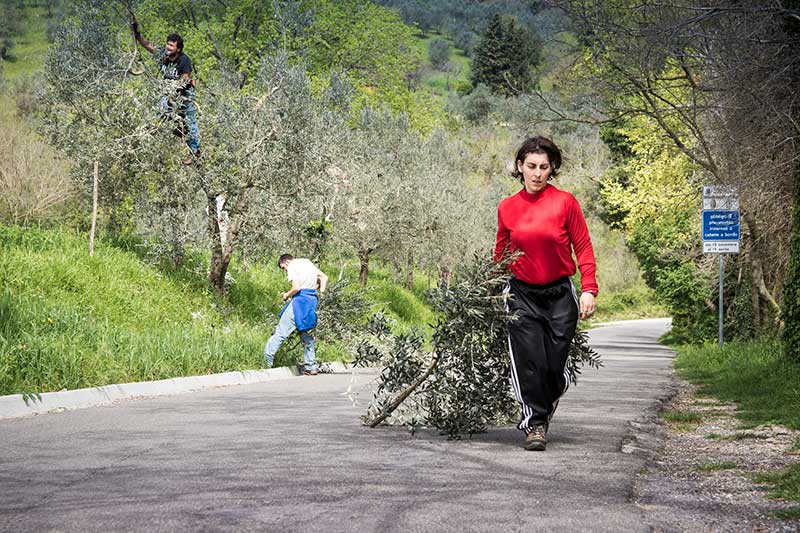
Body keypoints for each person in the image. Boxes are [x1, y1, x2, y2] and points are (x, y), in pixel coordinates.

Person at [494, 136, 598, 451]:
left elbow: (582, 246)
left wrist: (589, 288)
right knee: (529, 362)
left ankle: (547, 397)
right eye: (531, 167)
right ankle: (535, 425)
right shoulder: (507, 208)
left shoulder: (565, 202)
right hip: (521, 294)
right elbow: (501, 253)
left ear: (551, 169)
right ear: (519, 167)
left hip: (559, 295)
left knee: (553, 367)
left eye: (543, 167)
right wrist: (491, 287)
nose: (537, 173)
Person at [131, 20, 201, 165]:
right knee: (161, 113)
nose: (168, 47)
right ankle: (174, 129)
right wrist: (137, 35)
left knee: (190, 122)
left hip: (184, 95)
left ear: (178, 49)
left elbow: (185, 79)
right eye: (167, 44)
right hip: (168, 94)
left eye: (171, 45)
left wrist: (172, 95)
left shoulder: (184, 60)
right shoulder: (164, 56)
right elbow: (149, 46)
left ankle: (195, 153)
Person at [264, 254, 328, 375]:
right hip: (312, 301)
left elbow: (296, 287)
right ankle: (311, 367)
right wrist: (322, 295)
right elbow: (324, 277)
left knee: (281, 332)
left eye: (284, 268)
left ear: (286, 262)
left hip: (299, 302)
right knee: (306, 333)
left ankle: (266, 361)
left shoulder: (293, 266)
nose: (285, 271)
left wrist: (286, 295)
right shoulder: (308, 262)